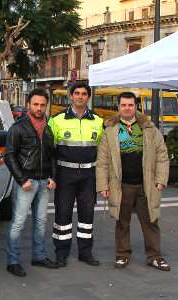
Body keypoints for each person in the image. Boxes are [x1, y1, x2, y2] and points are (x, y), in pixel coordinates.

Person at [96, 91, 171, 271]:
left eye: (130, 105)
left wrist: (161, 179)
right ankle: (122, 254)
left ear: (136, 106)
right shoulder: (110, 130)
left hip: (146, 185)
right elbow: (102, 160)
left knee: (151, 221)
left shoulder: (149, 128)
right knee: (122, 222)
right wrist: (103, 186)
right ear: (118, 107)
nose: (127, 108)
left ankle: (154, 256)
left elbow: (162, 155)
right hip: (121, 186)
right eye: (123, 105)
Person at [48, 83, 104, 267]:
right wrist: (52, 176)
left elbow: (104, 151)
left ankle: (85, 252)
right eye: (77, 93)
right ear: (70, 96)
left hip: (89, 175)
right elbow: (49, 151)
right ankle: (61, 253)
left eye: (84, 94)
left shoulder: (98, 121)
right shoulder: (56, 120)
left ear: (88, 97)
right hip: (65, 175)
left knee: (87, 215)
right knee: (62, 215)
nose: (80, 96)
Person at [4, 88, 58, 277]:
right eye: (36, 104)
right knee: (18, 222)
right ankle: (13, 261)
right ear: (28, 104)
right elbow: (9, 156)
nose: (39, 108)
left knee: (41, 222)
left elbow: (52, 155)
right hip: (26, 182)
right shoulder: (18, 127)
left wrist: (53, 177)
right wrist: (22, 179)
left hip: (44, 182)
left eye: (43, 105)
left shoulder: (49, 127)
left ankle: (39, 256)